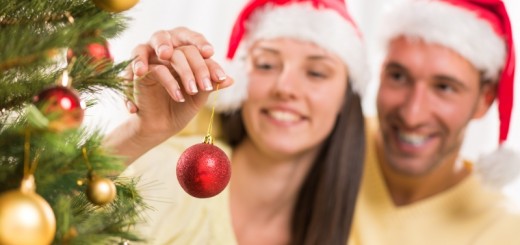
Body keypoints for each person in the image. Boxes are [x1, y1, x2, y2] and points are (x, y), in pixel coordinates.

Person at [103, 0, 369, 244]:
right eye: (266, 65)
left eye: (316, 72)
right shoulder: (159, 174)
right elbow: (65, 216)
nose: (285, 88)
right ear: (240, 82)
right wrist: (141, 133)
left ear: (347, 98)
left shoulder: (361, 231)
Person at [349, 0, 520, 244]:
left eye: (444, 88)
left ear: (485, 100)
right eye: (398, 76)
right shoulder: (325, 143)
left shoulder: (507, 232)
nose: (412, 115)